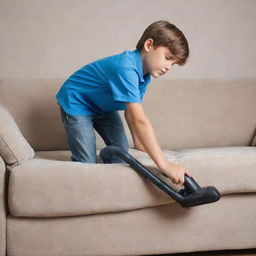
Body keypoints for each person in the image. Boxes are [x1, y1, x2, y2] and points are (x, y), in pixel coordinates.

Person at [56, 20, 192, 185]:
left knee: (121, 154)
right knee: (87, 164)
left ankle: (107, 165)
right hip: (77, 101)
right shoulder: (125, 67)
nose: (169, 67)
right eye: (168, 57)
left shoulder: (145, 74)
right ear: (149, 45)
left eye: (173, 63)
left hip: (103, 108)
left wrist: (138, 141)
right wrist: (165, 164)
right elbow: (139, 120)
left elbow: (130, 111)